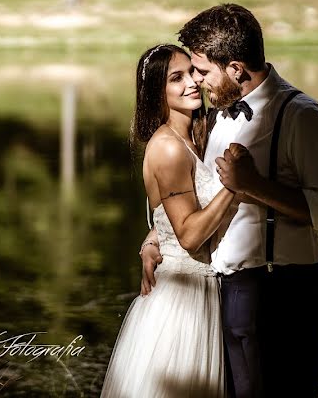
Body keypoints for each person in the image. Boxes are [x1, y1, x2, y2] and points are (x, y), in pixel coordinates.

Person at [139, 4, 318, 397]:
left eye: (202, 71)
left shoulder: (302, 116)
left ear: (235, 68)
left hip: (286, 292)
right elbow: (196, 195)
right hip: (230, 291)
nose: (198, 83)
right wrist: (157, 234)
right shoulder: (219, 117)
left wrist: (253, 184)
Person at [100, 43, 241, 398]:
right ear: (156, 94)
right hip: (183, 299)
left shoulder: (193, 135)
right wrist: (235, 187)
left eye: (192, 72)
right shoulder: (167, 147)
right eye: (176, 79)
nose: (192, 83)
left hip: (205, 291)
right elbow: (190, 235)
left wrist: (150, 241)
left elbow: (167, 219)